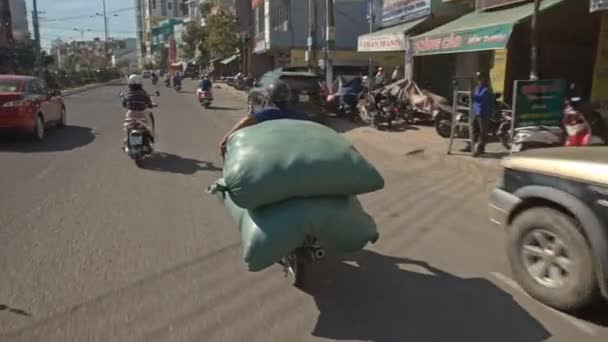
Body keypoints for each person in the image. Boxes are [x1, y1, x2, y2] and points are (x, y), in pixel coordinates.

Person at [219, 80, 309, 157]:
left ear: (268, 97)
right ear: (289, 97)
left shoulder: (266, 114)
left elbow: (245, 122)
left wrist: (225, 140)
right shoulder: (301, 116)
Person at [465, 72, 494, 156]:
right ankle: (470, 146)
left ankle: (480, 149)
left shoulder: (487, 89)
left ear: (485, 79)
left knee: (483, 132)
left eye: (480, 78)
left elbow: (482, 98)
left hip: (483, 113)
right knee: (473, 130)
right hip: (475, 112)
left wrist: (472, 96)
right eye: (478, 78)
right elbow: (474, 97)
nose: (479, 80)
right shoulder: (476, 88)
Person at [122, 74, 155, 145]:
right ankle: (151, 136)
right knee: (149, 125)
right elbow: (149, 103)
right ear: (140, 83)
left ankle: (126, 139)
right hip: (142, 113)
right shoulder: (143, 93)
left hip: (131, 114)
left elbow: (124, 104)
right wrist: (151, 105)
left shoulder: (127, 93)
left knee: (126, 126)